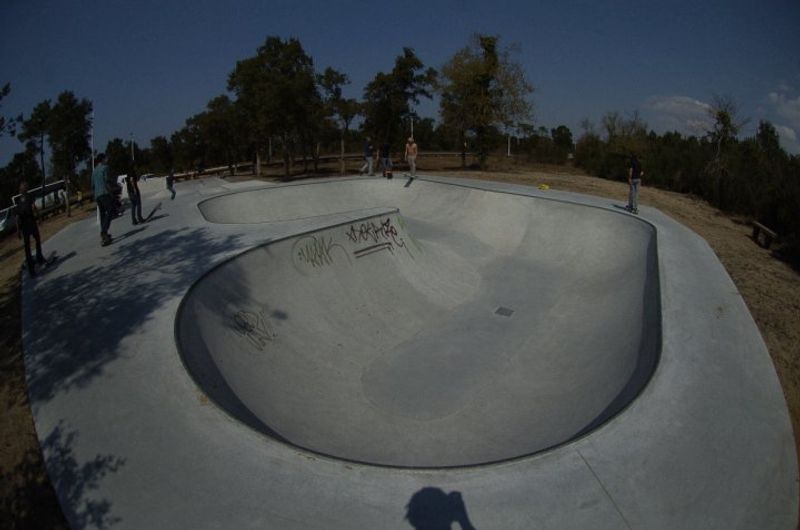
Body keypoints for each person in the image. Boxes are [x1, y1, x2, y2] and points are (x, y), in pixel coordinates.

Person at [14, 181, 47, 277]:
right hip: (31, 222)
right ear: (26, 189)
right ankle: (39, 257)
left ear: (20, 191)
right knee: (37, 239)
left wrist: (18, 230)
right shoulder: (29, 196)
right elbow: (33, 207)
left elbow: (17, 217)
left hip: (24, 226)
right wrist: (39, 217)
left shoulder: (19, 201)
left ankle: (31, 269)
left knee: (27, 247)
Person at [92, 153, 114, 246]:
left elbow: (92, 185)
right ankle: (104, 231)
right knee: (110, 210)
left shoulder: (94, 171)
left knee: (102, 214)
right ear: (103, 160)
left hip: (97, 195)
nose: (107, 160)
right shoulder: (105, 168)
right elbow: (107, 181)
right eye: (106, 158)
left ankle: (104, 234)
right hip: (104, 193)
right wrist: (111, 192)